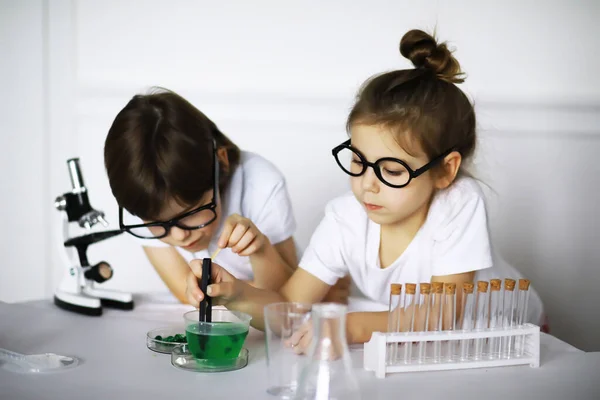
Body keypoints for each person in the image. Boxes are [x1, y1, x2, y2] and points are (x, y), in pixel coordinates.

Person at [184, 29, 546, 349]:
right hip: (437, 349)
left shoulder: (459, 202)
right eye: (358, 162)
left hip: (514, 332)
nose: (367, 184)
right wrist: (235, 294)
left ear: (445, 170)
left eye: (391, 169)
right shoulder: (345, 218)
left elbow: (441, 315)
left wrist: (353, 326)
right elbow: (290, 311)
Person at [104, 88, 350, 304]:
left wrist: (260, 249)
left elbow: (284, 298)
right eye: (156, 223)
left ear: (220, 164)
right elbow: (185, 293)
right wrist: (251, 293)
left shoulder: (260, 183)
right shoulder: (144, 198)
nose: (179, 235)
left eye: (191, 212)